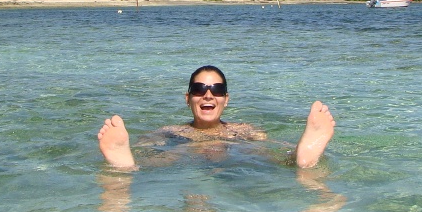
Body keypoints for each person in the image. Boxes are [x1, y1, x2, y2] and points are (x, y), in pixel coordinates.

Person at [97, 65, 335, 170]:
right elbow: (145, 148)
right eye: (199, 89)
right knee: (167, 158)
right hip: (183, 152)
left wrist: (290, 153)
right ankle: (124, 164)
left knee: (263, 156)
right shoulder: (170, 132)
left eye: (217, 90)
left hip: (235, 156)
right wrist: (133, 151)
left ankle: (303, 155)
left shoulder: (245, 131)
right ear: (188, 98)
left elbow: (273, 149)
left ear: (226, 99)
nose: (208, 95)